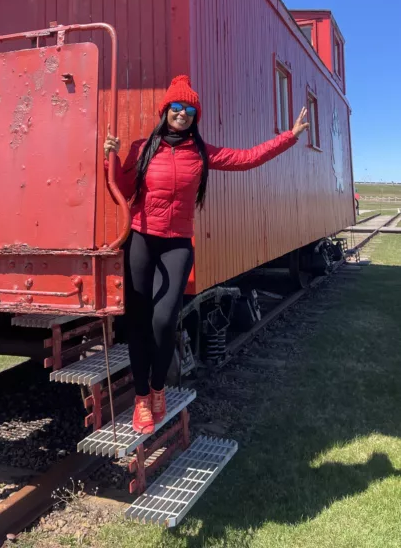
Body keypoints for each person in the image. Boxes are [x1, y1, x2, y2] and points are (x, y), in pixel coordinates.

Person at [104, 74, 308, 434]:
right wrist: (110, 156)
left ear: (195, 116)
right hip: (141, 238)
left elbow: (248, 159)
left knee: (164, 320)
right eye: (177, 107)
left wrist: (288, 138)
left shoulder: (202, 152)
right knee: (136, 321)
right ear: (165, 110)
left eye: (189, 110)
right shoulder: (142, 148)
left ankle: (157, 389)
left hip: (177, 242)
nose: (182, 114)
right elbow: (120, 188)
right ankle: (140, 400)